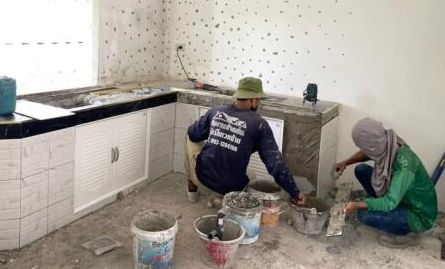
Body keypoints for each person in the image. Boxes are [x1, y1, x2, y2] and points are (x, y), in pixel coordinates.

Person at [185, 77, 306, 207]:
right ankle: (227, 199)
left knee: (189, 135)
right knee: (251, 176)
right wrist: (295, 193)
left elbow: (193, 133)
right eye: (258, 100)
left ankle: (192, 186)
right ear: (252, 100)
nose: (258, 104)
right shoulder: (259, 124)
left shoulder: (215, 111)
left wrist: (219, 133)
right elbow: (276, 165)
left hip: (202, 178)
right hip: (233, 188)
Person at [334, 118, 438, 248]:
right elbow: (367, 154)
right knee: (361, 169)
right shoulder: (387, 141)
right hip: (400, 194)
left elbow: (390, 202)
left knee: (363, 215)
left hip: (417, 213)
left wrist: (356, 204)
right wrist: (346, 162)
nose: (362, 149)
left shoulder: (404, 168)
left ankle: (408, 234)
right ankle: (376, 204)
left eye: (362, 146)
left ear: (372, 145)